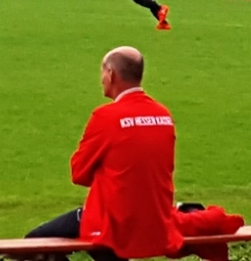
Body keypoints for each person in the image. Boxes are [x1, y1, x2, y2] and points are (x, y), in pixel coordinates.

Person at [26, 46, 183, 261]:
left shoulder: (106, 117)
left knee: (34, 243)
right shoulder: (163, 115)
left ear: (111, 74)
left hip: (113, 221)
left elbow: (79, 173)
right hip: (156, 218)